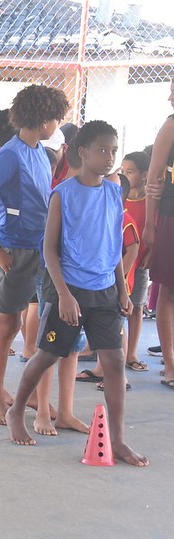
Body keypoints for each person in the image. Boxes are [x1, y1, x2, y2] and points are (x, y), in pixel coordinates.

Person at [5, 120, 148, 467]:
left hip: (105, 290)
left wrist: (122, 288)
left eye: (113, 150)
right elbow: (50, 251)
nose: (110, 156)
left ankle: (117, 440)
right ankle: (16, 411)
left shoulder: (115, 193)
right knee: (48, 355)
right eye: (102, 149)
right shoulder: (63, 194)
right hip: (68, 287)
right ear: (83, 152)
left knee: (114, 362)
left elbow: (114, 246)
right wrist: (65, 295)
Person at [0, 84, 69, 425]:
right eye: (56, 118)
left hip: (39, 249)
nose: (57, 124)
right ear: (42, 120)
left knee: (18, 326)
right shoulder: (10, 154)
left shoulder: (40, 152)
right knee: (6, 323)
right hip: (14, 249)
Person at [144, 79, 174, 389]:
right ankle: (170, 363)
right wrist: (150, 225)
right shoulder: (170, 126)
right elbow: (153, 178)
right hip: (171, 214)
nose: (169, 97)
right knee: (169, 289)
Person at [121, 151, 151, 373]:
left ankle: (131, 352)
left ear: (144, 175)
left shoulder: (150, 202)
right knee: (116, 308)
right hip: (118, 266)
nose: (125, 176)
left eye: (129, 172)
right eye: (122, 171)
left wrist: (150, 254)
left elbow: (154, 231)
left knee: (137, 307)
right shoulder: (119, 199)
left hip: (139, 265)